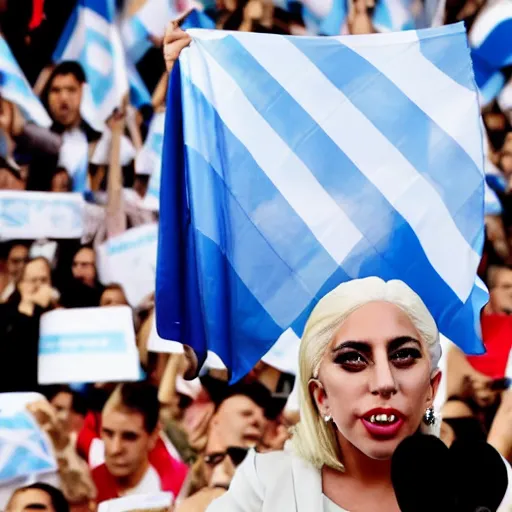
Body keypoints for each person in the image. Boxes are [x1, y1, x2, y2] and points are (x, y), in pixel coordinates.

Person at [197, 277, 512, 511]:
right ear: (320, 397)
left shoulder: (487, 484)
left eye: (403, 356)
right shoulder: (265, 487)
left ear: (432, 387)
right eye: (353, 359)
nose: (384, 382)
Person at [91, 382, 188, 504]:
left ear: (153, 436)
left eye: (129, 437)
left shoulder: (181, 488)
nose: (115, 449)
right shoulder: (87, 488)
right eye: (108, 433)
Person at [0, 257, 58, 391]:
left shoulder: (56, 313)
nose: (38, 285)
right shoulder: (4, 312)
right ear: (20, 284)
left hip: (47, 389)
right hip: (10, 388)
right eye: (33, 280)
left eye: (43, 280)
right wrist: (27, 306)